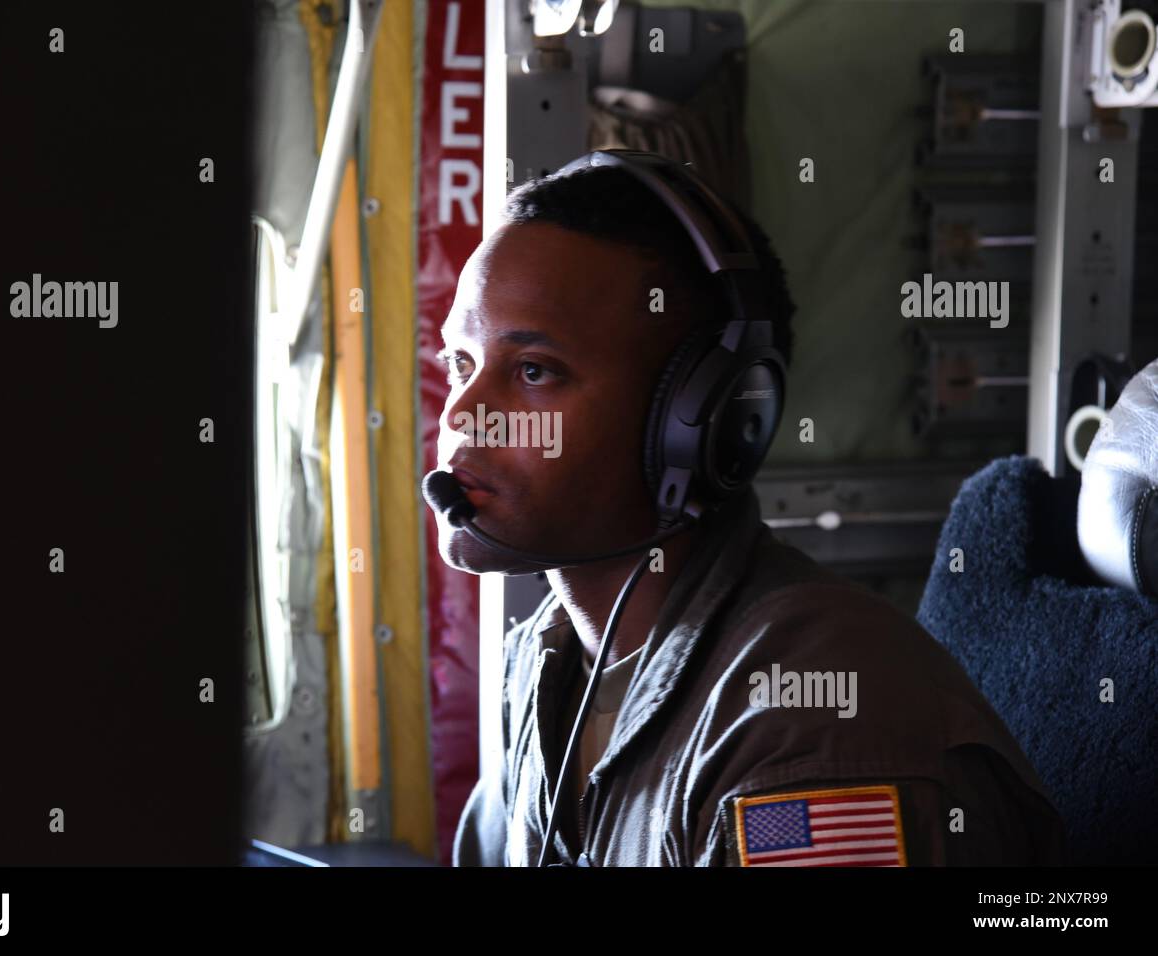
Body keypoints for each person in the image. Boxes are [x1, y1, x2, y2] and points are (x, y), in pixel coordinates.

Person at [430, 158, 1066, 866]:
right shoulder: (542, 667)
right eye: (459, 365)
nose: (462, 413)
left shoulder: (817, 724)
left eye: (533, 371)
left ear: (699, 423)